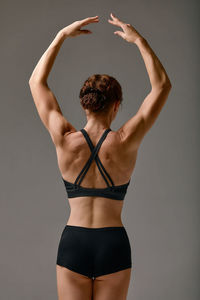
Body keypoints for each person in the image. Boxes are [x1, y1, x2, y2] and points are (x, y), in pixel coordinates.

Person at [28, 13, 172, 300]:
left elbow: (36, 82)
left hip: (74, 243)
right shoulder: (126, 140)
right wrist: (139, 41)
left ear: (85, 105)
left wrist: (60, 36)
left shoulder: (64, 138)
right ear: (116, 105)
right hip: (113, 244)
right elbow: (162, 86)